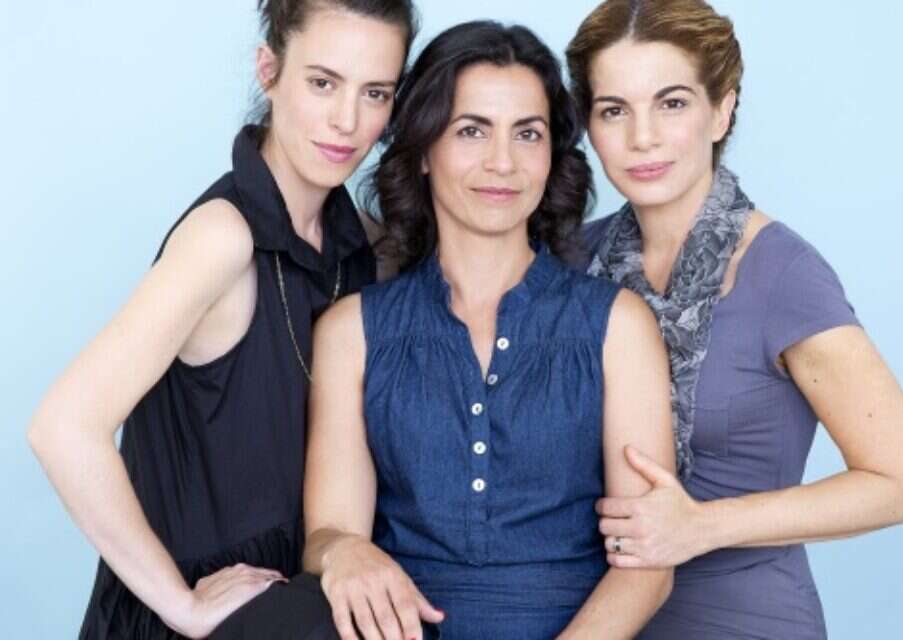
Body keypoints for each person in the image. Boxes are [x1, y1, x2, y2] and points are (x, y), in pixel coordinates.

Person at [214, 20, 675, 640]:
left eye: (528, 134)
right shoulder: (353, 332)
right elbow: (329, 532)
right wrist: (343, 551)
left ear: (552, 156)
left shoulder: (618, 325)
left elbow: (648, 565)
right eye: (471, 130)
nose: (502, 162)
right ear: (424, 150)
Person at [26, 1, 417, 637]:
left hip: (296, 610)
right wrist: (181, 604)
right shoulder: (223, 239)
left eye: (375, 93)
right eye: (323, 83)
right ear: (269, 70)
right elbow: (62, 427)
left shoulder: (363, 247)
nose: (347, 121)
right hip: (191, 618)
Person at [565, 1, 903, 638]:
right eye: (614, 110)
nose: (642, 137)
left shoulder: (783, 274)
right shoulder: (573, 259)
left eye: (672, 103)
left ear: (722, 110)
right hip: (593, 617)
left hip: (745, 620)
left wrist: (703, 525)